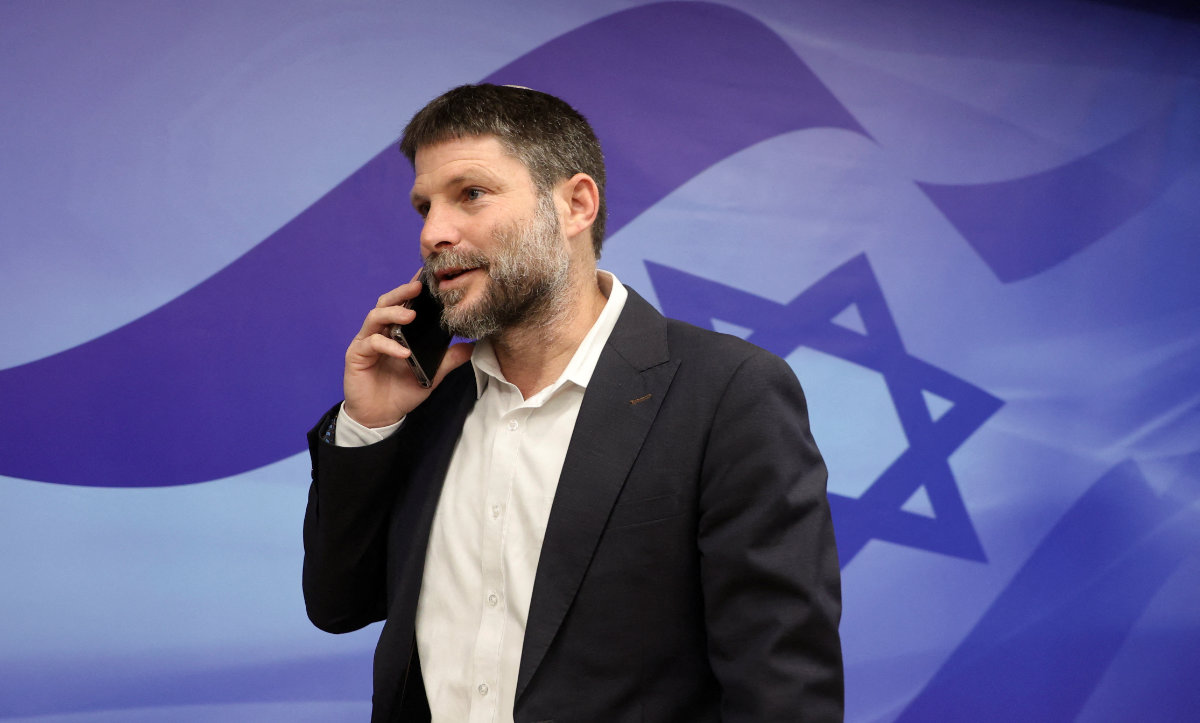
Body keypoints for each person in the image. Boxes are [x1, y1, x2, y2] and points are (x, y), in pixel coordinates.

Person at [303, 83, 843, 723]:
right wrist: (370, 427)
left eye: (470, 194)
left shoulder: (728, 391)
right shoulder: (425, 401)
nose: (433, 233)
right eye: (424, 206)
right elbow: (338, 606)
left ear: (576, 204)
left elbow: (782, 689)